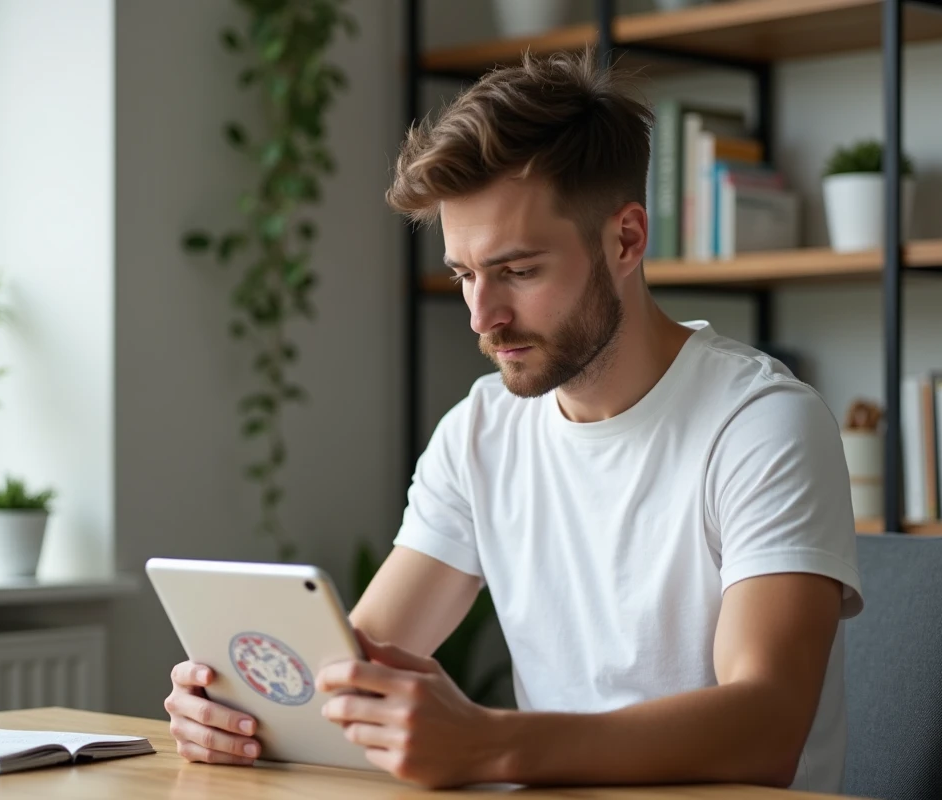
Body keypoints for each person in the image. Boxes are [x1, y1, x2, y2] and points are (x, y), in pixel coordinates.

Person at [164, 48, 863, 793]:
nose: (482, 317)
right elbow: (352, 673)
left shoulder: (761, 424)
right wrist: (244, 712)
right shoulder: (480, 432)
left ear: (625, 240)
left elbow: (766, 727)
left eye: (519, 271)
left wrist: (491, 746)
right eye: (465, 273)